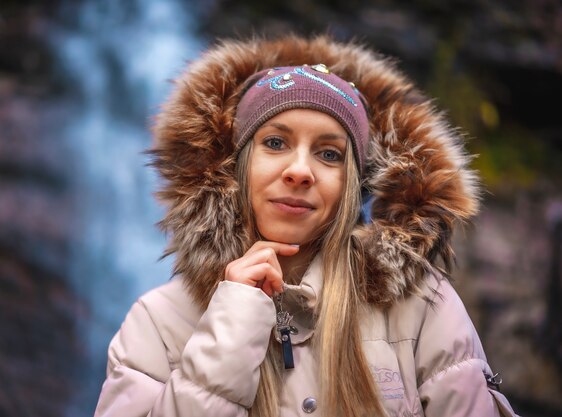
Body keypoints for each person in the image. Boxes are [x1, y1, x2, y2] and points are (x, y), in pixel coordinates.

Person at [94, 35, 518, 417]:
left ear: (352, 185)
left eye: (329, 154)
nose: (300, 171)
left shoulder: (422, 306)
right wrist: (233, 325)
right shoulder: (157, 322)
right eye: (275, 143)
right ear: (234, 167)